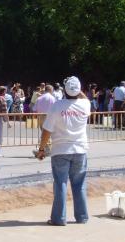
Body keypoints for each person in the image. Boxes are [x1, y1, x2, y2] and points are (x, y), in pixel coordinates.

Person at [36, 76, 90, 226]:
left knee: (60, 183)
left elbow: (47, 130)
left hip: (60, 150)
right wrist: (76, 89)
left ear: (64, 90)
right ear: (79, 90)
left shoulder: (57, 106)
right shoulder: (85, 104)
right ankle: (82, 217)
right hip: (80, 149)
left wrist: (41, 149)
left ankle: (59, 218)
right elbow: (83, 97)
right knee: (79, 184)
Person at [33, 84, 56, 156]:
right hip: (50, 116)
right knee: (48, 133)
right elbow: (55, 108)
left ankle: (45, 148)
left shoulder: (39, 98)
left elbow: (34, 109)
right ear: (50, 90)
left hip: (40, 117)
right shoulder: (52, 98)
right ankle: (47, 149)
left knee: (44, 133)